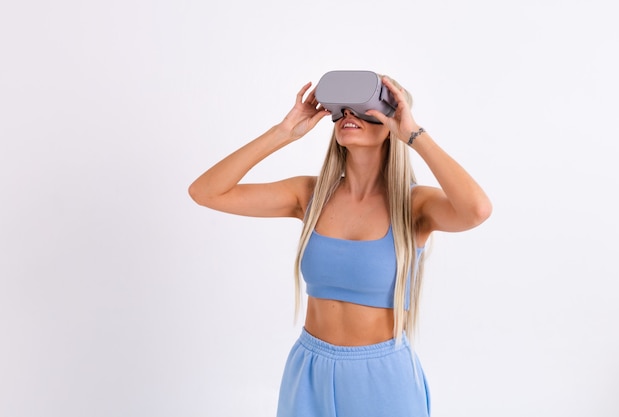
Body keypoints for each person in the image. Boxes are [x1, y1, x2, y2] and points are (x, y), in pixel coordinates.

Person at [188, 73, 492, 417]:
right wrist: (283, 132)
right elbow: (206, 192)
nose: (349, 114)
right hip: (309, 371)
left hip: (381, 378)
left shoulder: (413, 205)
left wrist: (414, 136)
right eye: (342, 110)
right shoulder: (309, 196)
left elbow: (477, 210)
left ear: (390, 121)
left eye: (364, 109)